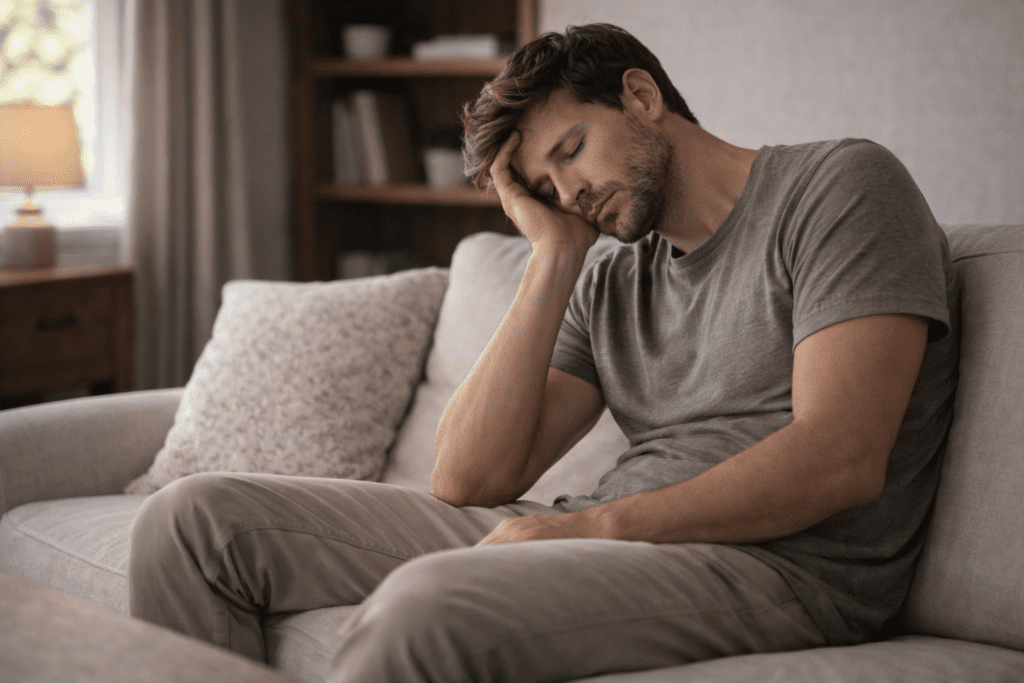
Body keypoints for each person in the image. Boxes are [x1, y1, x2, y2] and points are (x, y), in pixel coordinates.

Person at [127, 23, 958, 683]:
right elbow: (468, 476)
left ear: (641, 96)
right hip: (603, 534)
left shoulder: (839, 189)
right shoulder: (608, 271)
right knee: (194, 521)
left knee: (429, 606)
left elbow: (840, 457)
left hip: (780, 568)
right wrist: (554, 254)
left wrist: (597, 525)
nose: (573, 194)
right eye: (548, 187)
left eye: (570, 152)